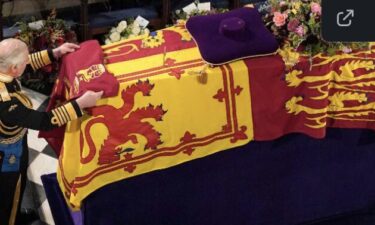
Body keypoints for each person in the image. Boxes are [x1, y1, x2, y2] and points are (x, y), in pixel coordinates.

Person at [0, 38, 103, 225]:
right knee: (7, 192)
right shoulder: (6, 103)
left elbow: (25, 64)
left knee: (19, 182)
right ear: (14, 69)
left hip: (14, 140)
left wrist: (54, 53)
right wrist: (79, 104)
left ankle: (15, 215)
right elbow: (43, 121)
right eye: (23, 62)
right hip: (6, 154)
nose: (27, 62)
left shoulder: (4, 67)